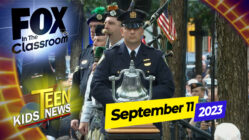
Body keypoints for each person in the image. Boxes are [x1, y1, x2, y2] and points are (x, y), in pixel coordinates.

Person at [90, 8, 175, 137]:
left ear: (142, 30)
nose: (132, 32)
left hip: (148, 124)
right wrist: (118, 103)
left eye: (136, 27)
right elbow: (96, 85)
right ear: (122, 31)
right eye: (128, 28)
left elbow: (168, 86)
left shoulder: (156, 56)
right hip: (115, 125)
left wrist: (144, 100)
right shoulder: (109, 55)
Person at [70, 6, 106, 135]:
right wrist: (74, 115)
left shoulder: (112, 52)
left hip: (102, 113)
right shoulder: (85, 52)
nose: (92, 30)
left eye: (96, 26)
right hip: (84, 113)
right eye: (90, 26)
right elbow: (76, 85)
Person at [78, 25, 107, 139]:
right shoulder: (92, 59)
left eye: (99, 40)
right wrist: (84, 118)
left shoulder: (111, 59)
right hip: (93, 117)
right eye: (94, 40)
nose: (94, 44)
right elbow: (88, 94)